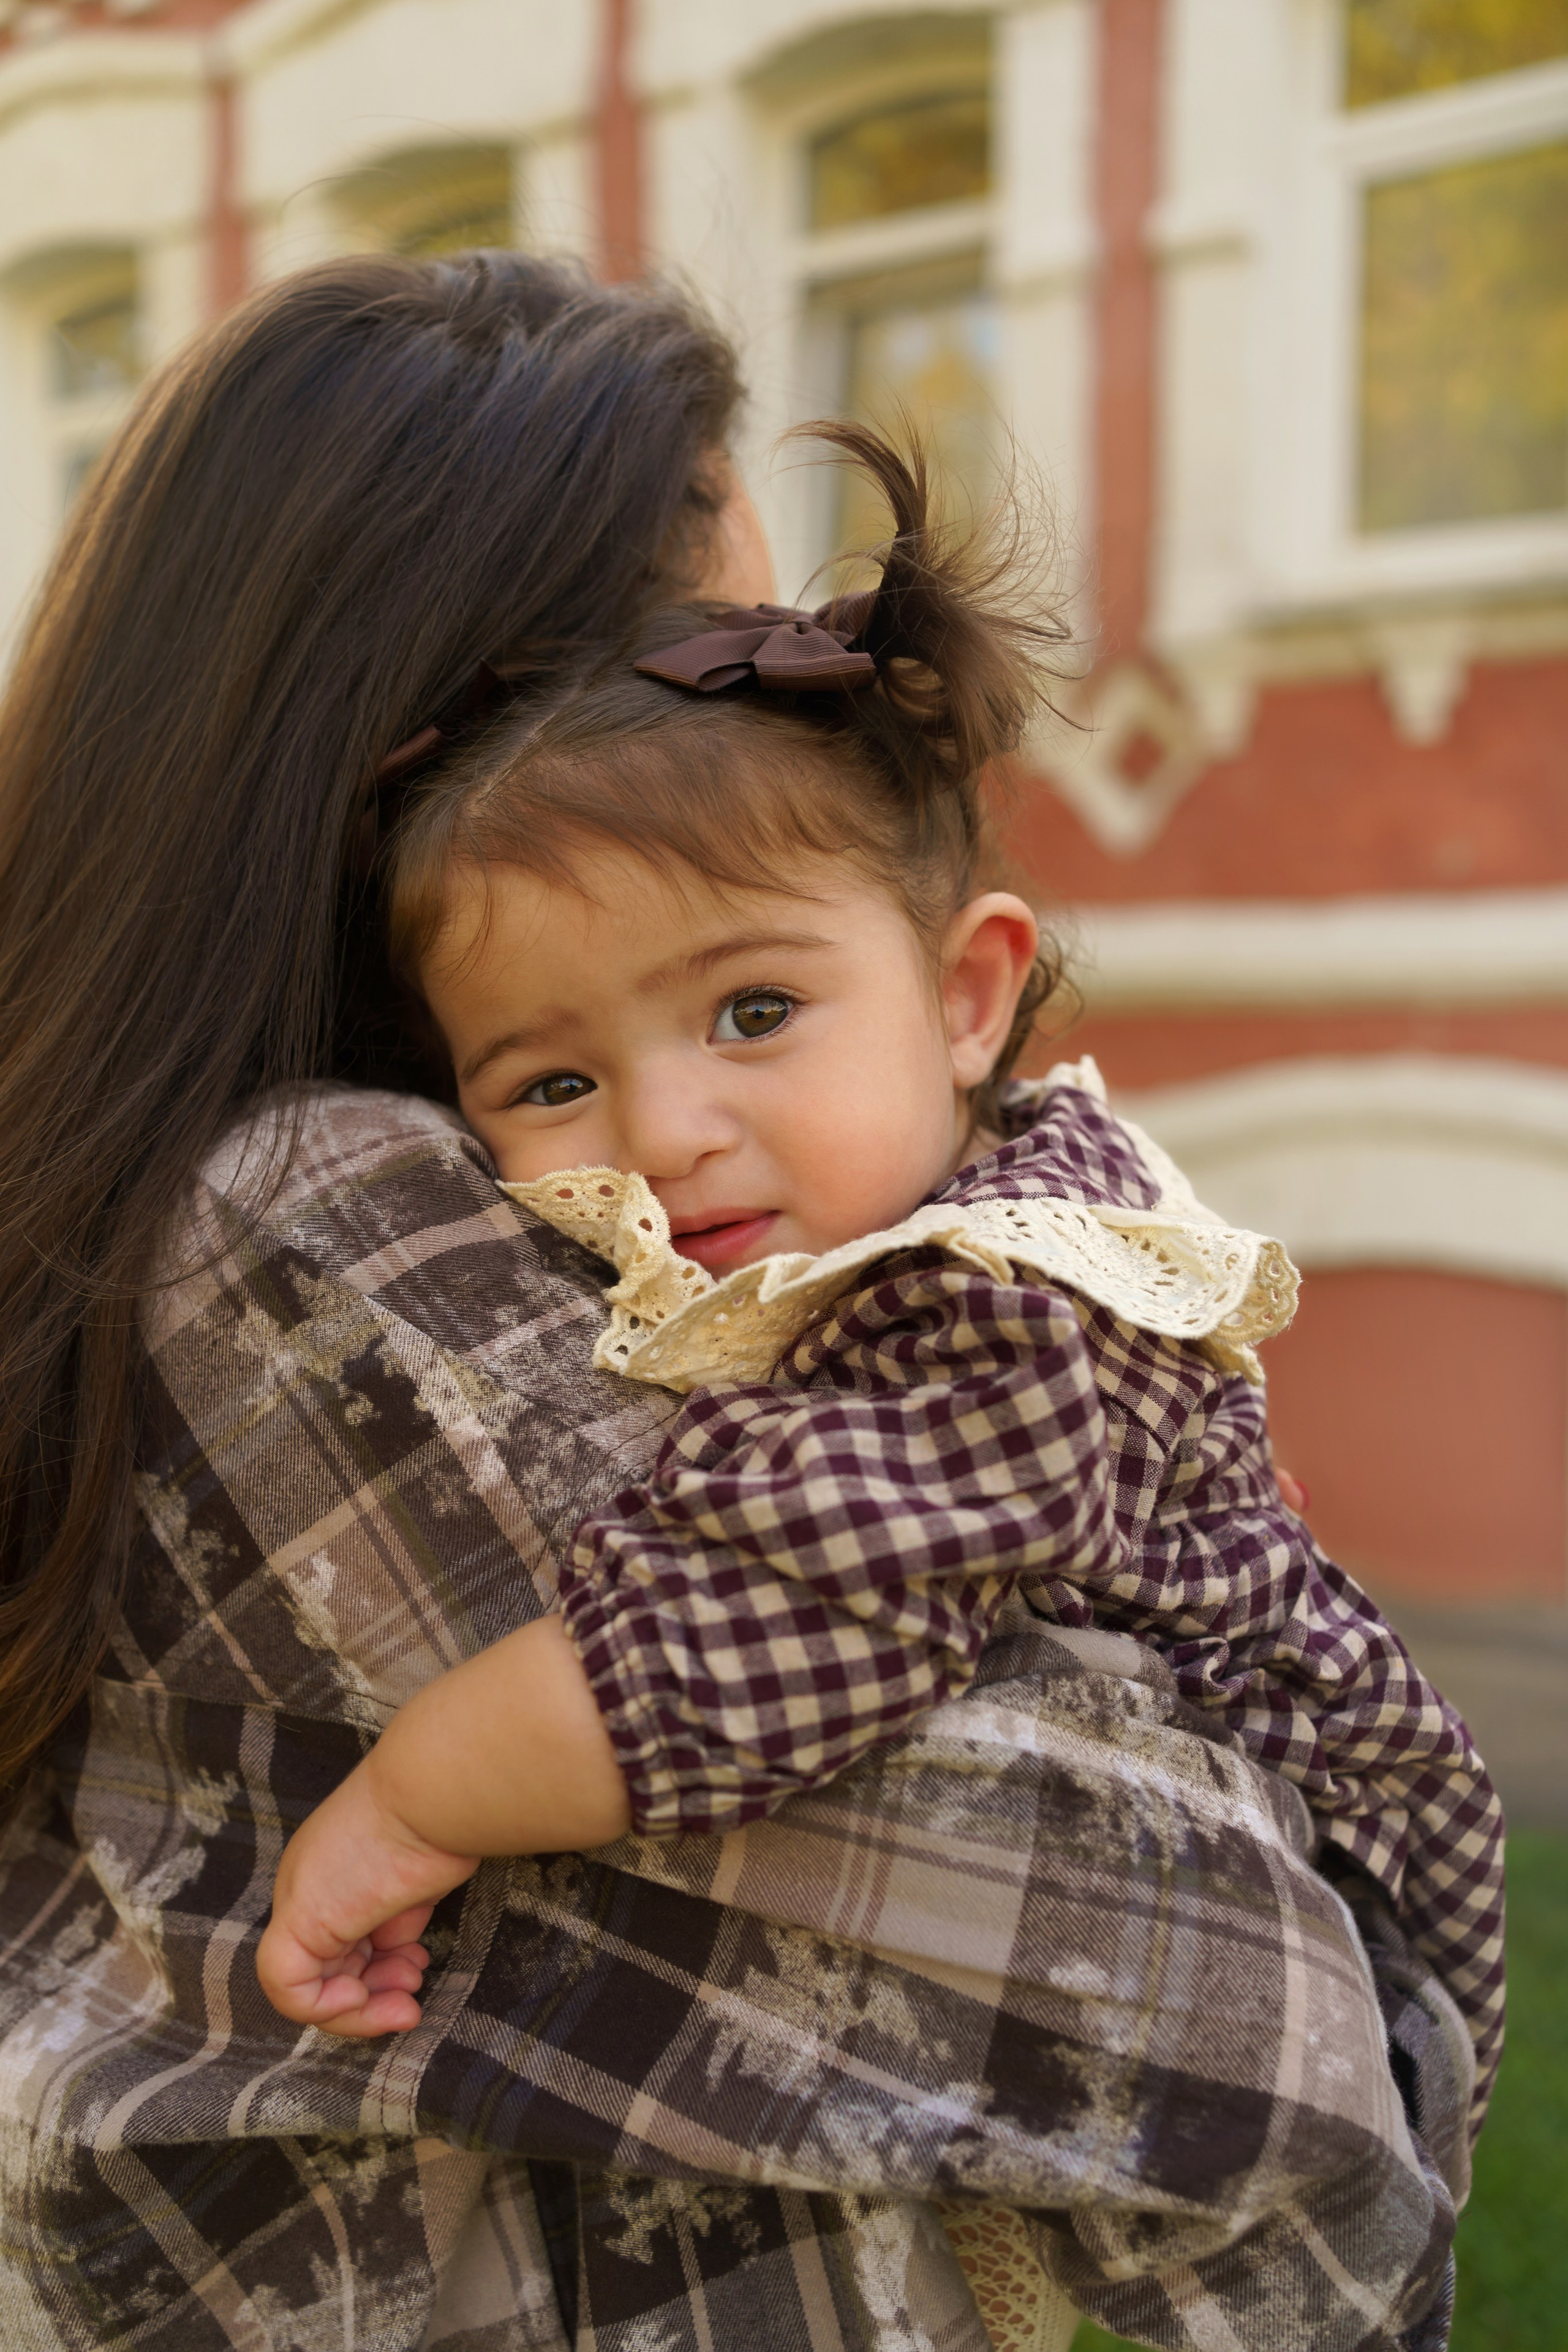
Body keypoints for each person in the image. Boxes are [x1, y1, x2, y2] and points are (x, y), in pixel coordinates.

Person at [0, 256, 1460, 2352]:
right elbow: (1246, 2032)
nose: (669, 1133)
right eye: (705, 665)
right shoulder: (313, 1233)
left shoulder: (870, 1258)